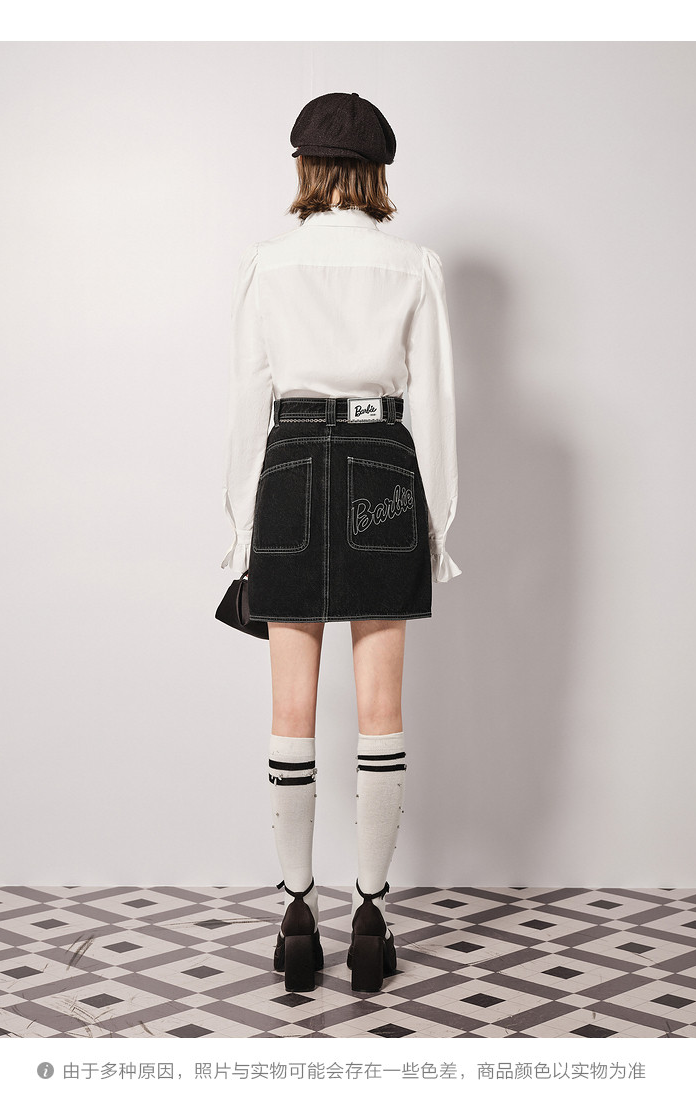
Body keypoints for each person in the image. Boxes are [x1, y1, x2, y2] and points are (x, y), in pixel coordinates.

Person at [220, 92, 461, 994]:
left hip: (288, 463)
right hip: (381, 462)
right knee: (380, 709)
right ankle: (368, 916)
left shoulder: (268, 264)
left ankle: (295, 916)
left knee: (290, 708)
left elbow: (248, 403)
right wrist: (437, 526)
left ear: (304, 166)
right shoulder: (414, 265)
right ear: (379, 173)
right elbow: (433, 407)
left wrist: (242, 531)